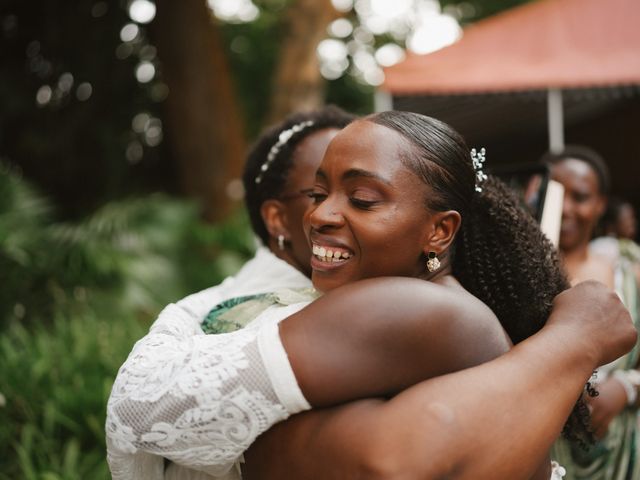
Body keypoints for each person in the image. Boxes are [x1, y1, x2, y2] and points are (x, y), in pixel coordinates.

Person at [108, 113, 609, 479]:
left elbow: (144, 404)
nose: (322, 215)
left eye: (363, 199)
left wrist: (252, 445)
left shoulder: (411, 305)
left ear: (439, 231)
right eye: (319, 193)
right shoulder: (445, 305)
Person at [545, 146, 640, 480]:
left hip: (622, 455)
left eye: (581, 197)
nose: (567, 208)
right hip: (546, 453)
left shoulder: (630, 273)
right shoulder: (519, 278)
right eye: (556, 195)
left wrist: (626, 388)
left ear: (600, 205)